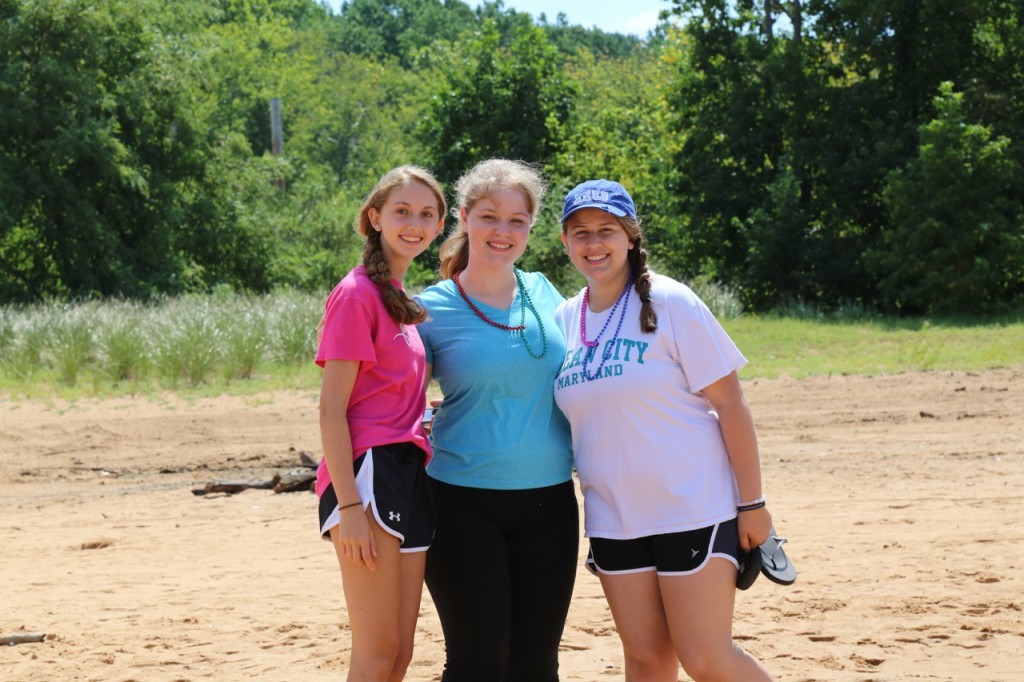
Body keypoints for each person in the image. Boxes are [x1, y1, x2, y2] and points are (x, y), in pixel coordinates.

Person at [553, 179, 774, 681]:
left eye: (606, 230)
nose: (593, 243)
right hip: (613, 517)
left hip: (693, 506)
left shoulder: (672, 301)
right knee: (648, 658)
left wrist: (753, 504)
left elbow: (731, 406)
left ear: (629, 236)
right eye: (580, 232)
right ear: (565, 242)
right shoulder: (564, 319)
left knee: (705, 658)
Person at [415, 159, 579, 682]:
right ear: (463, 218)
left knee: (536, 665)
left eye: (516, 221)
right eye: (489, 217)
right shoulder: (428, 309)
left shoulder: (549, 295)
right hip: (460, 503)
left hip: (550, 502)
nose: (502, 232)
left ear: (532, 228)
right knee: (479, 662)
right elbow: (391, 398)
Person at [315, 165, 446, 682]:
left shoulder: (400, 299)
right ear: (375, 218)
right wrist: (349, 507)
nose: (414, 223)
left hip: (410, 473)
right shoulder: (356, 294)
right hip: (367, 478)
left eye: (426, 214)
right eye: (401, 211)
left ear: (439, 226)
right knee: (375, 652)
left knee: (400, 653)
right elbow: (331, 410)